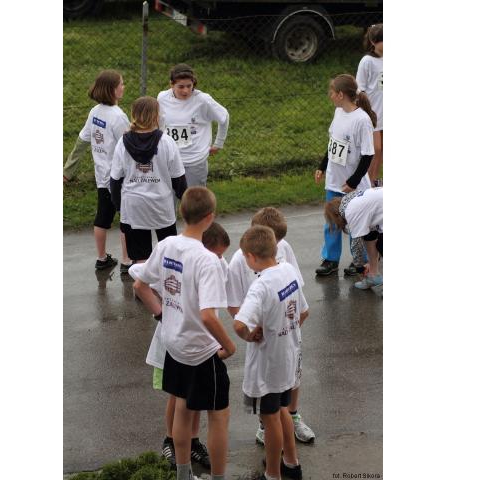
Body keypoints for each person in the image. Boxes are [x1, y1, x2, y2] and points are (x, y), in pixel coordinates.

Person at [131, 187, 236, 480]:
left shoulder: (166, 245)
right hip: (201, 350)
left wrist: (163, 316)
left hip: (173, 345)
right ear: (210, 217)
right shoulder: (208, 260)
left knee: (182, 406)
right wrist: (229, 346)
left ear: (182, 212)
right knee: (219, 417)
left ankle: (183, 474)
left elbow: (140, 285)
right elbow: (208, 316)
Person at [226, 207, 315, 445]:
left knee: (293, 375)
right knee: (267, 384)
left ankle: (292, 416)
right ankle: (265, 425)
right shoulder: (240, 260)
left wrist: (294, 324)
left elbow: (297, 291)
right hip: (263, 336)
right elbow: (234, 304)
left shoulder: (284, 248)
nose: (275, 248)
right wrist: (251, 332)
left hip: (288, 330)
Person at [62, 70, 133, 271]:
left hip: (101, 176)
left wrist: (67, 170)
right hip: (120, 177)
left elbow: (82, 140)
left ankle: (102, 259)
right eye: (121, 84)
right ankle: (127, 261)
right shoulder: (118, 117)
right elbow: (129, 146)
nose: (124, 87)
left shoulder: (95, 112)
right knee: (127, 218)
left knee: (102, 217)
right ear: (112, 90)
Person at [110, 96, 188, 266]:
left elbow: (115, 180)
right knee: (169, 255)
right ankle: (166, 282)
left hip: (134, 207)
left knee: (140, 259)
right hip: (161, 205)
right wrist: (186, 202)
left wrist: (119, 206)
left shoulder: (122, 143)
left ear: (134, 115)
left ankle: (142, 283)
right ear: (156, 116)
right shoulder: (167, 142)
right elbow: (179, 179)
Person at [314, 74, 377, 276]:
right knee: (332, 221)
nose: (330, 95)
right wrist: (322, 166)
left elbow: (368, 155)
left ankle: (360, 259)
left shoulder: (362, 120)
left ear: (341, 95)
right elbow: (333, 143)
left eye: (332, 92)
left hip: (353, 186)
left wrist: (353, 181)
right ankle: (331, 259)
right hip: (334, 182)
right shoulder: (338, 112)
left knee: (356, 222)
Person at [157, 64, 229, 187]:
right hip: (170, 159)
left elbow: (224, 117)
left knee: (194, 197)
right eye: (181, 87)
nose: (185, 90)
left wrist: (218, 144)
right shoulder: (162, 98)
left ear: (193, 83)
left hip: (195, 161)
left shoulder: (203, 100)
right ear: (171, 84)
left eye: (189, 86)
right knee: (168, 197)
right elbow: (159, 122)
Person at [324, 187, 383, 289]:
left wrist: (359, 268)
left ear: (336, 214)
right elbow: (370, 235)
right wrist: (371, 263)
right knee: (371, 237)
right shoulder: (352, 200)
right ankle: (374, 275)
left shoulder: (350, 211)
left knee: (382, 245)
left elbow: (356, 245)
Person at [356, 23, 383, 187]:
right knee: (375, 150)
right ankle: (366, 186)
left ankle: (373, 181)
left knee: (382, 151)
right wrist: (367, 113)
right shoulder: (367, 61)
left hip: (385, 114)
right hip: (373, 115)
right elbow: (360, 89)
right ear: (373, 42)